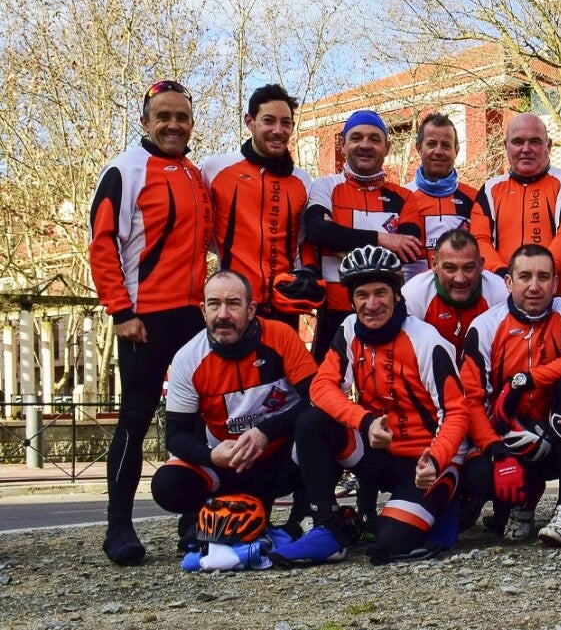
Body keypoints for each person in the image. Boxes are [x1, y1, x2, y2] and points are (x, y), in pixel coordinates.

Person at [272, 245, 470, 567]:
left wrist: (436, 457)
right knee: (312, 422)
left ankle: (443, 505)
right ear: (352, 300)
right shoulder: (349, 330)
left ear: (397, 296)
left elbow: (457, 413)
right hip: (379, 451)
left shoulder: (426, 340)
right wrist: (364, 421)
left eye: (381, 293)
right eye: (362, 295)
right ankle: (328, 528)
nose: (372, 304)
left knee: (389, 547)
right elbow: (321, 387)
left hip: (426, 462)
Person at [91, 79, 212, 565]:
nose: (173, 125)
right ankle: (118, 526)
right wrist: (120, 311)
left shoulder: (194, 174)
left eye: (181, 117)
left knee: (196, 421)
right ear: (145, 121)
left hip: (191, 316)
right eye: (163, 116)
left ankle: (194, 521)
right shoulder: (124, 170)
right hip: (143, 316)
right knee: (134, 419)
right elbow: (103, 245)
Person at [152, 270, 316, 551]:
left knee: (320, 423)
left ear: (251, 309)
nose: (223, 314)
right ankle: (212, 513)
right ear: (203, 311)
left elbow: (317, 398)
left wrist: (266, 431)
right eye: (214, 304)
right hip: (229, 465)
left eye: (234, 304)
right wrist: (211, 455)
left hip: (283, 459)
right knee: (167, 482)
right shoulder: (187, 358)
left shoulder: (280, 335)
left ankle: (305, 518)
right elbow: (176, 435)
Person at [459, 244, 561, 546]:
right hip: (508, 437)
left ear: (555, 283)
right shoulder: (484, 326)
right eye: (525, 277)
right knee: (479, 476)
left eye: (544, 277)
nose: (535, 286)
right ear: (508, 282)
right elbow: (471, 401)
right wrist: (497, 452)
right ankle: (522, 502)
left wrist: (527, 379)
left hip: (556, 432)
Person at [303, 110, 421, 359]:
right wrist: (384, 239)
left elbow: (407, 252)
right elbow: (317, 231)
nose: (365, 145)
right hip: (333, 313)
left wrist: (337, 242)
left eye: (374, 139)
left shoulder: (405, 197)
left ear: (387, 147)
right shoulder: (325, 186)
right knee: (326, 389)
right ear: (342, 145)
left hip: (383, 312)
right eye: (356, 138)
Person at [199, 83, 314, 324]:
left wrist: (308, 274)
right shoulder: (215, 169)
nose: (278, 130)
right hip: (232, 305)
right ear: (250, 121)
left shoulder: (302, 180)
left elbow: (303, 242)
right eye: (269, 121)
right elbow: (200, 233)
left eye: (286, 123)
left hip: (284, 305)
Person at [470, 113, 561, 295]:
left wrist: (537, 280)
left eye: (534, 141)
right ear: (506, 146)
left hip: (560, 300)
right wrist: (506, 279)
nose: (526, 149)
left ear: (548, 145)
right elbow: (480, 241)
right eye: (518, 142)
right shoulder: (489, 189)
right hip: (504, 296)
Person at [398, 112, 480, 279]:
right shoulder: (402, 197)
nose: (438, 151)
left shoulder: (475, 198)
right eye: (431, 144)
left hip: (461, 293)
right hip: (416, 299)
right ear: (418, 148)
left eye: (446, 145)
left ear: (456, 150)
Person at [400, 229, 508, 354]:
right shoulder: (413, 295)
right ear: (434, 264)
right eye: (450, 268)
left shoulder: (501, 292)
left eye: (468, 268)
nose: (460, 279)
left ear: (481, 265)